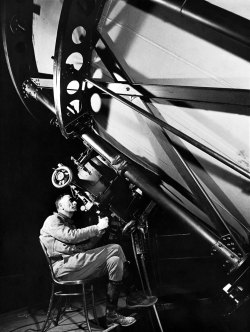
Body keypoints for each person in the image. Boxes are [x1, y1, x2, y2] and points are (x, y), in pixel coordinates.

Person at [40, 193, 157, 327]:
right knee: (116, 247)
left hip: (76, 265)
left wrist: (99, 233)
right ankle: (132, 295)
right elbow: (71, 237)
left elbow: (85, 247)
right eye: (70, 200)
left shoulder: (67, 224)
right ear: (60, 205)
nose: (75, 202)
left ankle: (111, 314)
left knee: (115, 261)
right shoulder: (52, 220)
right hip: (63, 268)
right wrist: (96, 227)